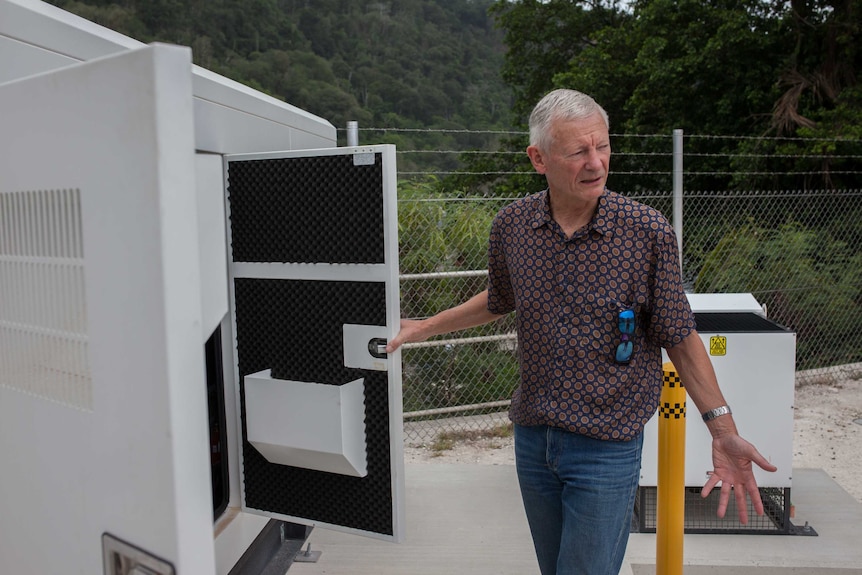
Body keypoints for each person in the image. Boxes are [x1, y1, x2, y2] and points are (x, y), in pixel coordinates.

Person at [386, 88, 777, 575]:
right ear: (538, 159)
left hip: (606, 445)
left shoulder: (646, 232)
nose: (596, 162)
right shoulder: (512, 226)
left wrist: (723, 430)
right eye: (578, 151)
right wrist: (426, 326)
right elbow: (501, 299)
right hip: (534, 438)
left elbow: (679, 333)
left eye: (603, 146)